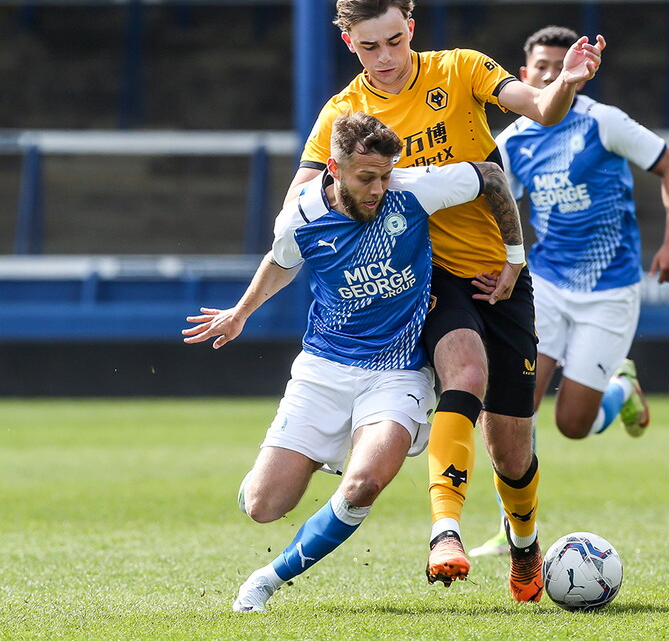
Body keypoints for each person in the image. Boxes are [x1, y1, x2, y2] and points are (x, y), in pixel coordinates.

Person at [286, 0, 604, 603]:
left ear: (412, 28)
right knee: (465, 370)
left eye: (394, 42)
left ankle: (523, 541)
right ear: (348, 42)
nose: (385, 58)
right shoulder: (343, 116)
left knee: (512, 449)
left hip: (501, 270)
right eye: (369, 46)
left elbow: (539, 110)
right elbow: (302, 200)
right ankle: (445, 533)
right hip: (421, 277)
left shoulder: (461, 70)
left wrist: (565, 82)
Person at [182, 112, 524, 612]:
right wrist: (240, 313)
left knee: (363, 484)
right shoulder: (300, 214)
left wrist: (514, 255)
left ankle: (266, 580)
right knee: (263, 505)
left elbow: (491, 177)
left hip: (399, 372)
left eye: (385, 175)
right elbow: (280, 261)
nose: (379, 188)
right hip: (324, 370)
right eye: (367, 177)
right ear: (334, 168)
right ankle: (324, 450)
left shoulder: (411, 191)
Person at [470, 25, 669, 557]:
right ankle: (513, 525)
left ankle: (622, 390)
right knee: (512, 402)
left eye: (557, 65)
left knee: (572, 423)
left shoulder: (602, 122)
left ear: (581, 69)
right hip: (544, 283)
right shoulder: (514, 141)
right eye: (539, 69)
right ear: (524, 78)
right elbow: (489, 206)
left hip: (610, 291)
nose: (549, 75)